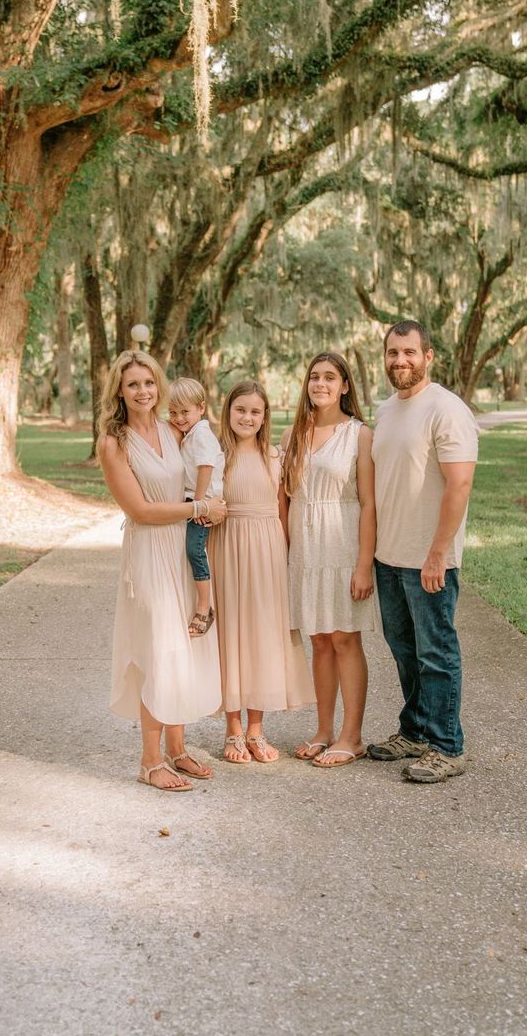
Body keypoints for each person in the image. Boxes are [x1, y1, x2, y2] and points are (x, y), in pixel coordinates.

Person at [97, 350, 227, 792]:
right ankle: (149, 761)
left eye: (149, 383)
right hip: (149, 552)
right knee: (159, 649)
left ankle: (178, 748)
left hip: (180, 550)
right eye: (133, 384)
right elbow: (140, 509)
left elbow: (211, 453)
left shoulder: (173, 430)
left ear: (160, 386)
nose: (143, 391)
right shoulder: (113, 443)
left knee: (184, 648)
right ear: (119, 389)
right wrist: (200, 507)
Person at [368, 319, 478, 783]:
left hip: (428, 559)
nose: (400, 361)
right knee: (404, 651)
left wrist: (437, 553)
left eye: (409, 352)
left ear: (428, 356)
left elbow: (460, 484)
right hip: (389, 557)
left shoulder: (447, 409)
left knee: (437, 652)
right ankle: (414, 731)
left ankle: (447, 745)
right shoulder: (385, 410)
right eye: (393, 353)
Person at [208, 381, 314, 763]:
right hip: (226, 549)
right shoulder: (216, 457)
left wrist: (288, 561)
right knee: (232, 635)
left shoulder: (275, 458)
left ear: (264, 416)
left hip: (268, 552)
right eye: (240, 410)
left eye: (255, 411)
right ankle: (233, 730)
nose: (247, 417)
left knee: (263, 637)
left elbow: (283, 514)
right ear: (228, 411)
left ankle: (256, 729)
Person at [280, 352, 377, 768]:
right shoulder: (292, 435)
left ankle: (351, 736)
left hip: (341, 547)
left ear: (344, 386)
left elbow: (370, 504)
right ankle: (323, 730)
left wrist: (363, 563)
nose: (320, 384)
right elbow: (284, 499)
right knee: (319, 639)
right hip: (305, 550)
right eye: (314, 377)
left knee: (343, 638)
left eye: (330, 377)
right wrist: (285, 552)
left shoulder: (360, 435)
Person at [168, 377, 225, 638]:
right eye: (173, 412)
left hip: (201, 502)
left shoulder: (201, 433)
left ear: (201, 408)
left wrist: (200, 505)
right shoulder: (190, 432)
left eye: (184, 412)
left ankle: (204, 606)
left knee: (194, 551)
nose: (179, 418)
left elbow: (206, 468)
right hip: (192, 501)